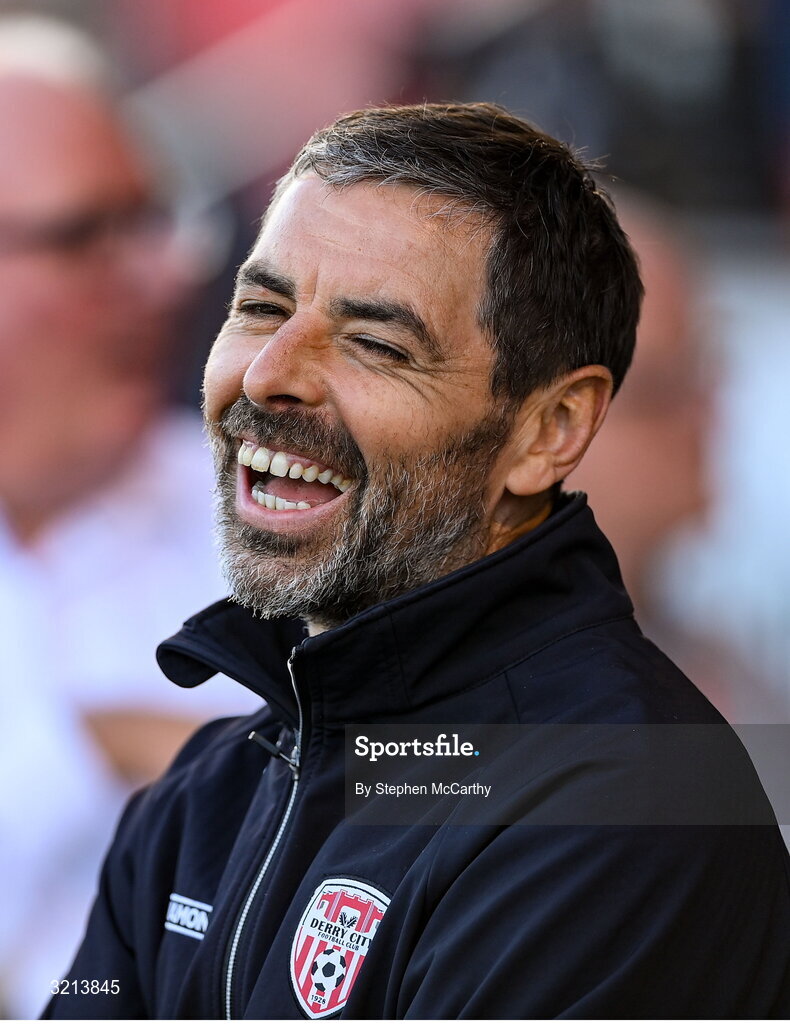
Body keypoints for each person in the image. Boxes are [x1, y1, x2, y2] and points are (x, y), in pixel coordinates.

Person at [45, 103, 790, 1020]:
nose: (272, 371)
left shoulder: (627, 801)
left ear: (549, 431)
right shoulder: (207, 793)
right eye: (261, 307)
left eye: (376, 343)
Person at [0, 18, 260, 1017]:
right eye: (87, 236)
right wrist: (87, 743)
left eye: (155, 223)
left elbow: (506, 785)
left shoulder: (299, 513)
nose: (165, 275)